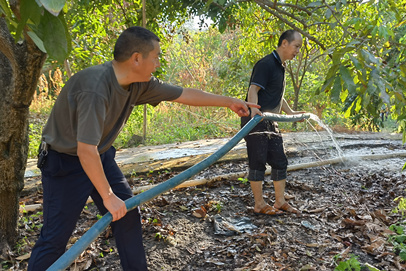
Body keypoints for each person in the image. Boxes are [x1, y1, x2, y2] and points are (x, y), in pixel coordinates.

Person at [28, 26, 258, 271]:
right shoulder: (95, 88)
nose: (158, 63)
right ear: (136, 58)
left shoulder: (139, 83)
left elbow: (184, 94)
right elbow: (85, 150)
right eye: (156, 57)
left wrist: (230, 102)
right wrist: (108, 196)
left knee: (127, 215)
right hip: (66, 163)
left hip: (100, 156)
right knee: (55, 239)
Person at [241, 30, 304, 216]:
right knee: (258, 161)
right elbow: (254, 89)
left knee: (279, 161)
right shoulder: (266, 64)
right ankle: (259, 204)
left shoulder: (281, 66)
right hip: (256, 120)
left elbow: (277, 97)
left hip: (270, 120)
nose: (297, 51)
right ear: (284, 43)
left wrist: (291, 113)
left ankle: (279, 201)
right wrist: (254, 111)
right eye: (296, 46)